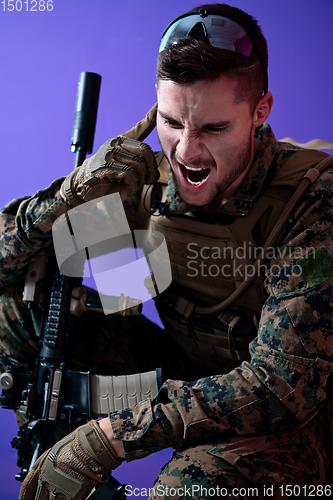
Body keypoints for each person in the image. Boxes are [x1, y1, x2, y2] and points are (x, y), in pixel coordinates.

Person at [1, 3, 333, 499]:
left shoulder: (313, 200)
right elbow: (13, 267)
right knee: (13, 312)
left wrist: (113, 437)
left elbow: (282, 386)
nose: (186, 152)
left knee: (191, 489)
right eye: (172, 122)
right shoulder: (142, 183)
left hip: (294, 415)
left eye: (213, 129)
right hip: (181, 371)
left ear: (260, 111)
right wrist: (66, 200)